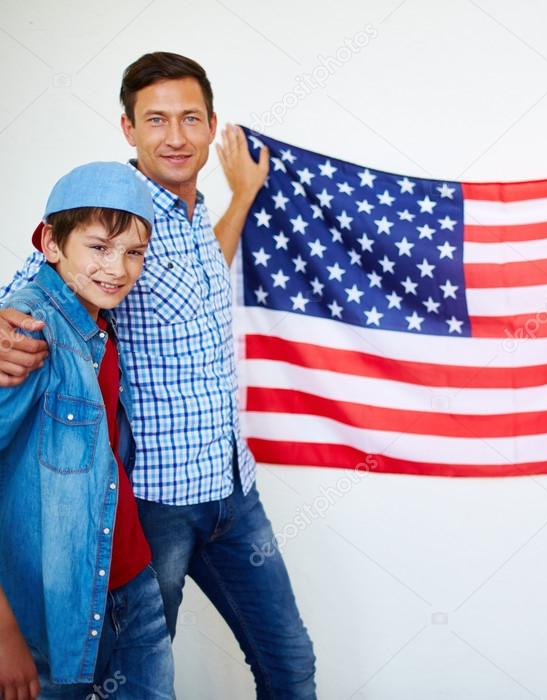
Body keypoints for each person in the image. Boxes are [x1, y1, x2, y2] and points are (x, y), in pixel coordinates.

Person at [0, 53, 316, 699]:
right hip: (153, 504)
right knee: (131, 678)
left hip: (233, 490)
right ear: (128, 129)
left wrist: (243, 195)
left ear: (210, 126)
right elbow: (32, 290)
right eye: (156, 119)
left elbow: (203, 274)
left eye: (190, 118)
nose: (175, 136)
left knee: (290, 665)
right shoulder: (112, 212)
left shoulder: (194, 216)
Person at [0, 162, 174, 699]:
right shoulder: (26, 334)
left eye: (134, 252)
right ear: (51, 242)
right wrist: (4, 632)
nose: (118, 269)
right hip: (53, 608)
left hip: (131, 582)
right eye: (99, 247)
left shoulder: (96, 317)